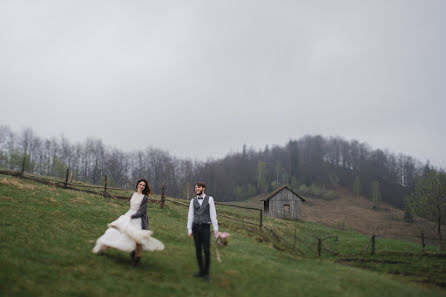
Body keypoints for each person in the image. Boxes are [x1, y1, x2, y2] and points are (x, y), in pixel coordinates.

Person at [92, 178, 164, 265]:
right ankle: (105, 246)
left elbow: (142, 211)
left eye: (143, 185)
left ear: (145, 187)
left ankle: (137, 257)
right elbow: (132, 207)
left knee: (137, 237)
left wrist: (132, 216)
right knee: (115, 230)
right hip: (128, 215)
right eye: (140, 184)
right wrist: (128, 216)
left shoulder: (144, 198)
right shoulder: (132, 194)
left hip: (138, 218)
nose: (141, 186)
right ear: (137, 185)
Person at [187, 182, 219, 280]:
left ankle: (206, 273)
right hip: (195, 228)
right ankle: (200, 271)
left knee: (206, 250)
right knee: (198, 250)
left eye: (198, 187)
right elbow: (190, 215)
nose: (196, 189)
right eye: (195, 187)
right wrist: (189, 229)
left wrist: (215, 229)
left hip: (205, 227)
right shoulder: (193, 201)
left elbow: (213, 214)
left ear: (203, 188)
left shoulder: (210, 199)